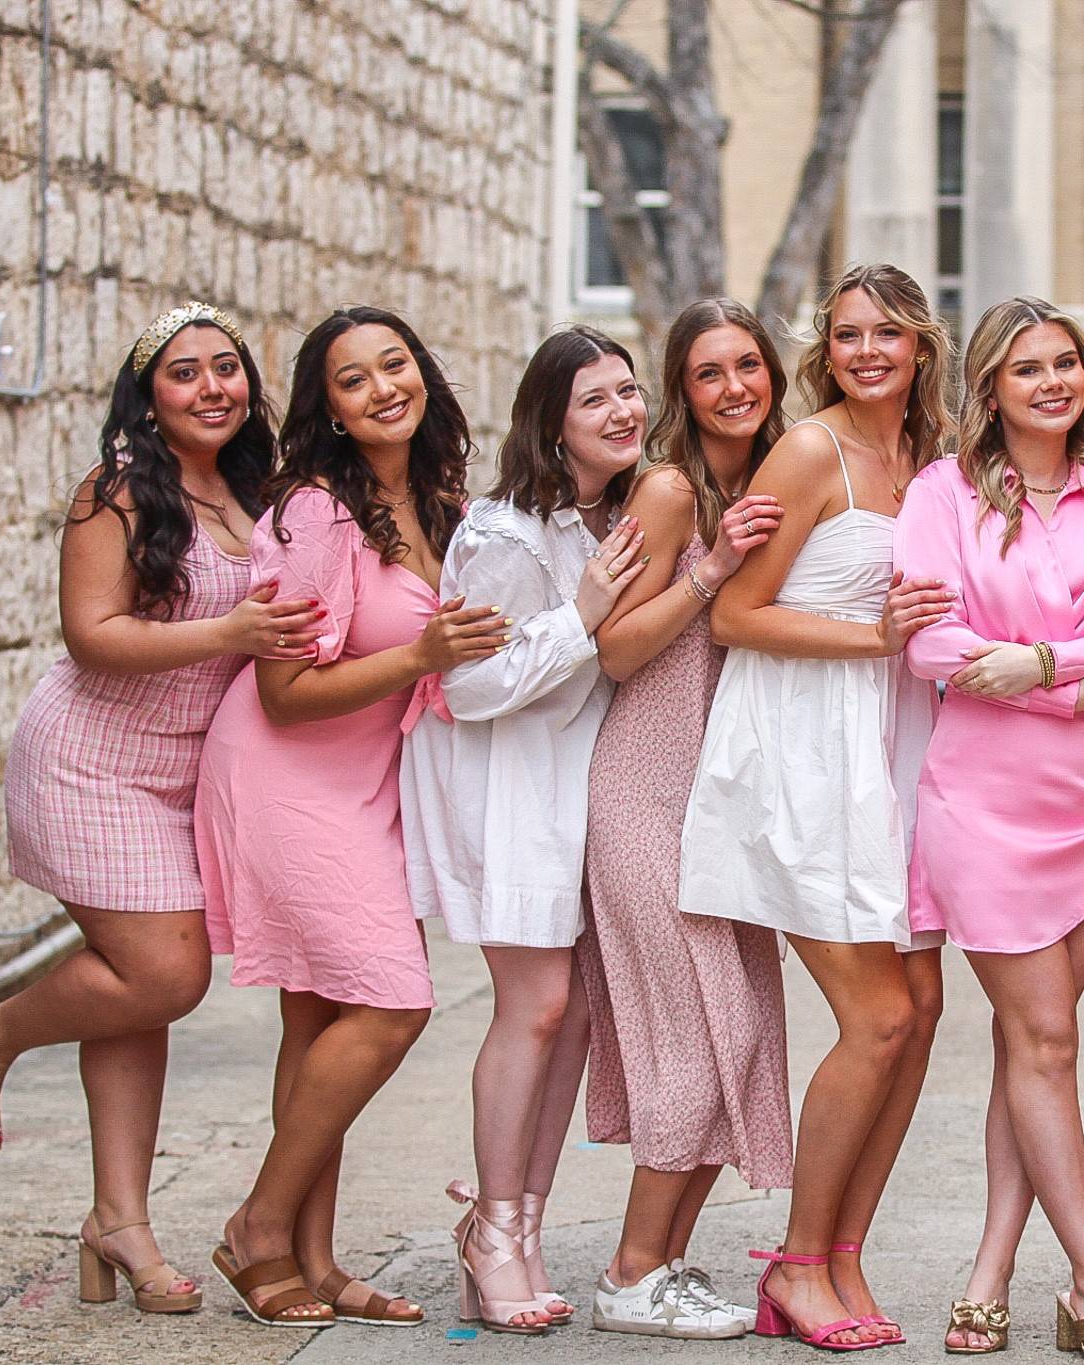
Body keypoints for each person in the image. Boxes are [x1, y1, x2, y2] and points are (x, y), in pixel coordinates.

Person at [0, 304, 317, 1314]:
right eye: (186, 374)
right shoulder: (119, 491)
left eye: (228, 368)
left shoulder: (255, 490)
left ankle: (119, 1223)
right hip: (93, 760)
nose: (214, 387)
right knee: (164, 973)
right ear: (149, 399)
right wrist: (232, 632)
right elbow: (92, 634)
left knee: (135, 991)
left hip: (185, 772)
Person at [192, 307, 506, 1328]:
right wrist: (423, 657)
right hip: (288, 773)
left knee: (321, 1013)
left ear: (423, 374)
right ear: (324, 407)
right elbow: (283, 691)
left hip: (372, 780)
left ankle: (314, 1262)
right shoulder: (315, 514)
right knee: (390, 1003)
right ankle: (258, 1227)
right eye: (352, 378)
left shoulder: (439, 503)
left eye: (395, 365)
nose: (382, 388)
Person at [899, 297, 1084, 1364]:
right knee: (1045, 1040)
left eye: (1065, 362)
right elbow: (931, 647)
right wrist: (1075, 674)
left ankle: (988, 1271)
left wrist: (1042, 665)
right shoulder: (941, 495)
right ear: (990, 389)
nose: (1052, 382)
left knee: (1033, 1047)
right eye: (1027, 369)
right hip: (982, 796)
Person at [684, 263, 956, 1351]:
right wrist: (872, 640)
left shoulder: (929, 459)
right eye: (847, 335)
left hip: (890, 751)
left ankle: (845, 1253)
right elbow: (736, 617)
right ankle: (797, 1263)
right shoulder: (809, 451)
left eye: (886, 333)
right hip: (798, 753)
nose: (865, 352)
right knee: (878, 1015)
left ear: (920, 346)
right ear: (826, 351)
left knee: (922, 1012)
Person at [399, 325, 648, 1335]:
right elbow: (466, 684)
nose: (623, 411)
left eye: (629, 391)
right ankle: (491, 1229)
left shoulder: (621, 514)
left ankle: (523, 1227)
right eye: (595, 400)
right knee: (536, 1008)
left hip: (588, 786)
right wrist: (580, 618)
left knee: (577, 1015)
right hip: (512, 790)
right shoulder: (503, 534)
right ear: (551, 424)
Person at [574, 297, 793, 1340]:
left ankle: (661, 1264)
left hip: (731, 802)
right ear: (682, 390)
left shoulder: (781, 476)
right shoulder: (667, 492)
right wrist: (710, 570)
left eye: (746, 366)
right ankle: (626, 1273)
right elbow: (614, 651)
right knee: (695, 1041)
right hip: (647, 790)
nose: (733, 388)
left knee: (738, 1036)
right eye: (709, 373)